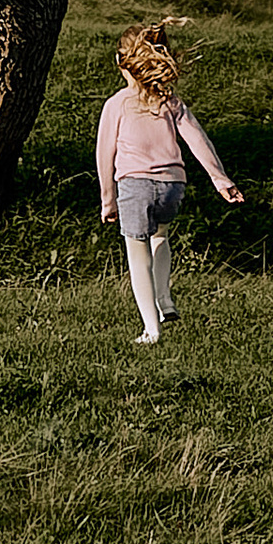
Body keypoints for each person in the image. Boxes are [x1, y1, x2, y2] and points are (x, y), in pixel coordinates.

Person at [96, 20, 243, 345]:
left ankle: (151, 329)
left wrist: (108, 199)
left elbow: (104, 155)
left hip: (135, 185)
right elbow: (197, 140)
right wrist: (221, 180)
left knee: (137, 252)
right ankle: (165, 299)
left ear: (122, 62)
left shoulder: (117, 104)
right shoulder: (170, 102)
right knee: (160, 236)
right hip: (173, 185)